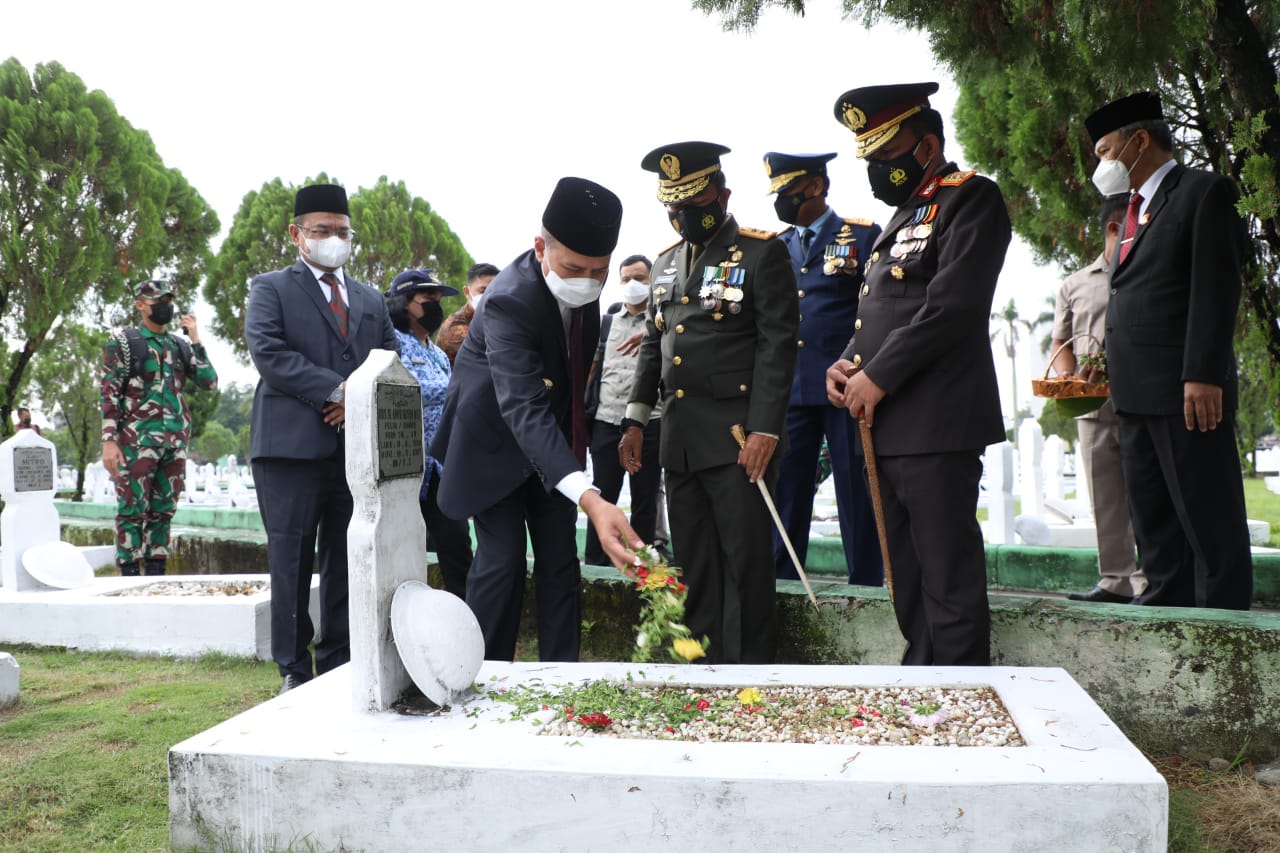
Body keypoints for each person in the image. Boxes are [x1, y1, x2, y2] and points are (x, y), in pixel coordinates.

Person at [826, 83, 1010, 666]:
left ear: (927, 145)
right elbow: (881, 311)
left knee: (946, 574)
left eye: (885, 156)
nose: (877, 170)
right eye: (870, 160)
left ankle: (961, 696)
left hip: (936, 423)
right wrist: (848, 360)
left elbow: (951, 306)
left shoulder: (970, 199)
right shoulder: (901, 219)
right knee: (905, 575)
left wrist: (876, 375)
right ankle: (925, 686)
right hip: (883, 426)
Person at [433, 177, 643, 663]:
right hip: (491, 444)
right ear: (539, 247)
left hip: (550, 452)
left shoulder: (585, 295)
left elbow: (567, 386)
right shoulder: (509, 299)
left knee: (561, 565)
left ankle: (561, 679)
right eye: (573, 267)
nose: (586, 281)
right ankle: (482, 677)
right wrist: (591, 496)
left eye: (599, 271)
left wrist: (572, 466)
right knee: (501, 561)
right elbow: (522, 404)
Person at [622, 141, 799, 664]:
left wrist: (766, 430)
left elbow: (777, 345)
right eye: (673, 208)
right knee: (695, 564)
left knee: (745, 565)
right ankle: (702, 671)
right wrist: (634, 420)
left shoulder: (762, 252)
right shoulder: (665, 264)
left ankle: (751, 679)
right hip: (679, 442)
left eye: (693, 206)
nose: (682, 218)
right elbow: (655, 346)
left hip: (738, 439)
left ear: (721, 195)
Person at [1084, 91, 1252, 610]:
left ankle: (1222, 625)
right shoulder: (1133, 209)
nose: (1102, 165)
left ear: (1139, 141)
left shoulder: (1202, 192)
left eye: (1106, 150)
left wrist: (1202, 374)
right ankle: (1164, 608)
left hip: (1187, 391)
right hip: (1135, 394)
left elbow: (1215, 288)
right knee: (1153, 521)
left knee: (1206, 516)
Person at [246, 183, 399, 694]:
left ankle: (338, 657)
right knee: (290, 556)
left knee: (344, 552)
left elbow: (387, 359)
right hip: (288, 449)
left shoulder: (371, 298)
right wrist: (339, 391)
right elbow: (270, 353)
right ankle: (293, 665)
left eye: (342, 231)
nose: (334, 239)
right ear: (297, 235)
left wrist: (356, 397)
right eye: (322, 230)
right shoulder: (270, 288)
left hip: (352, 450)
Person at [763, 150, 884, 586]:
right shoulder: (777, 246)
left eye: (788, 191)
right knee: (787, 490)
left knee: (856, 490)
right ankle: (781, 582)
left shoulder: (861, 236)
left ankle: (866, 584)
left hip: (845, 385)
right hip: (792, 390)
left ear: (815, 186)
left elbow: (876, 309)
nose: (781, 201)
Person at [1052, 194, 1147, 603]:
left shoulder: (1144, 274)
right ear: (1114, 229)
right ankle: (1115, 581)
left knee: (1147, 492)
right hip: (1092, 407)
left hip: (1143, 400)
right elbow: (1061, 340)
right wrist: (1069, 377)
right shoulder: (1073, 285)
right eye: (1132, 230)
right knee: (1104, 496)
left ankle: (1150, 581)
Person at [100, 280, 218, 576]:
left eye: (168, 299)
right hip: (135, 441)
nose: (165, 305)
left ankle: (155, 576)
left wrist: (195, 339)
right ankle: (128, 578)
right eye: (157, 300)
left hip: (174, 442)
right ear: (140, 304)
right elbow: (110, 392)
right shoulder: (125, 342)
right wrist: (109, 441)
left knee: (163, 512)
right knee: (131, 511)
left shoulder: (179, 346)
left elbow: (209, 382)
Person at [385, 268, 474, 599]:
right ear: (405, 303)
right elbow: (407, 390)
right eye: (428, 300)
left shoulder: (438, 353)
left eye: (439, 300)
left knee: (457, 548)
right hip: (406, 469)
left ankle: (466, 622)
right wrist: (461, 389)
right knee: (405, 552)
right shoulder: (393, 345)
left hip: (442, 467)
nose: (436, 306)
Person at [583, 254, 664, 567]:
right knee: (601, 497)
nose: (633, 284)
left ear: (651, 280)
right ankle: (595, 564)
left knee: (645, 499)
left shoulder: (661, 322)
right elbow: (592, 367)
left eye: (640, 278)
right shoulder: (608, 320)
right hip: (606, 422)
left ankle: (642, 563)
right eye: (626, 278)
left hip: (650, 423)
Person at [436, 262, 498, 365]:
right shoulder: (455, 328)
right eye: (483, 291)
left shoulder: (493, 320)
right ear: (467, 292)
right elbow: (494, 359)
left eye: (494, 290)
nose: (489, 296)